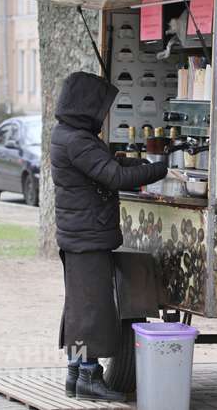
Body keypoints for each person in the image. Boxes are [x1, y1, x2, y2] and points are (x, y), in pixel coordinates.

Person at [50, 71, 167, 401]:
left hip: (79, 234)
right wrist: (160, 168)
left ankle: (76, 374)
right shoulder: (77, 140)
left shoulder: (68, 134)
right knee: (93, 309)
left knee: (79, 307)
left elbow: (105, 164)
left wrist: (134, 161)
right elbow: (113, 177)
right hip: (87, 236)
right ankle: (88, 375)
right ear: (86, 106)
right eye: (100, 108)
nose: (103, 116)